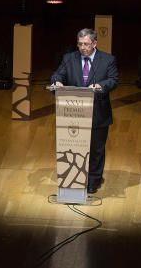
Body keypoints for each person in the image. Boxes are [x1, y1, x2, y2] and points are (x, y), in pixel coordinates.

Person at [50, 28, 118, 194]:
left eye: (86, 44)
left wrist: (101, 86)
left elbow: (113, 80)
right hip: (73, 113)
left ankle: (93, 181)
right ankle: (74, 178)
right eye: (80, 44)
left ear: (94, 43)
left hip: (98, 112)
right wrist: (57, 82)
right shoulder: (69, 58)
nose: (82, 48)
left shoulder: (107, 60)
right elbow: (57, 75)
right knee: (74, 148)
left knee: (96, 149)